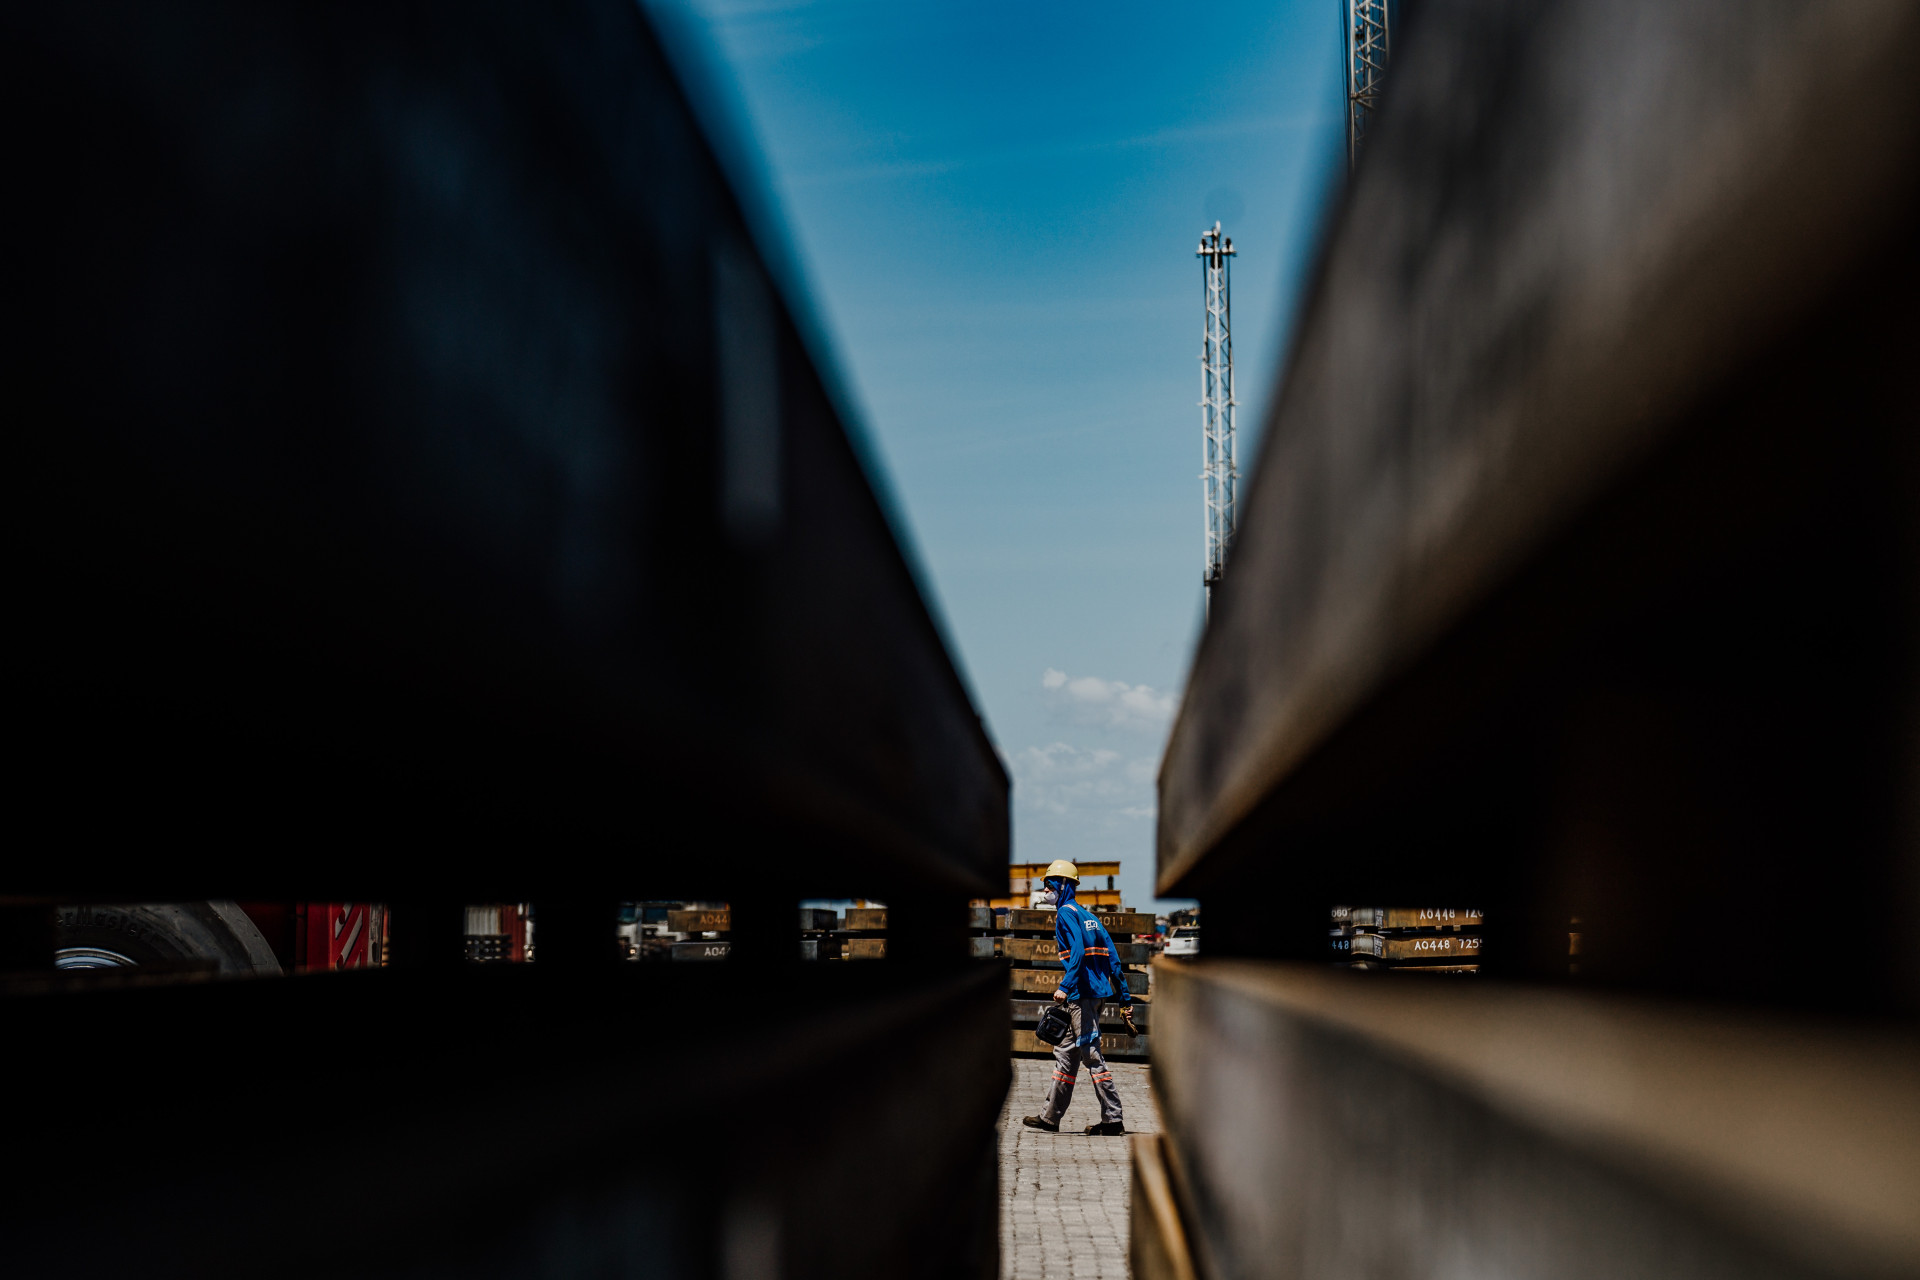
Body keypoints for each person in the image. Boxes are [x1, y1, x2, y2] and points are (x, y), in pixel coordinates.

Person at [1021, 860, 1139, 1135]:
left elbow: (1077, 951)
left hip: (1081, 995)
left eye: (1049, 884)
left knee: (1091, 1055)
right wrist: (1125, 1001)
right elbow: (1114, 961)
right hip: (1096, 994)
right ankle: (1049, 1118)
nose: (1046, 889)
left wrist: (1065, 984)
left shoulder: (1065, 913)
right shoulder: (1091, 918)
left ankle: (1113, 1119)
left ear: (1062, 885)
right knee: (1066, 1053)